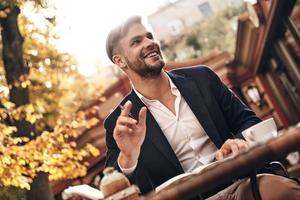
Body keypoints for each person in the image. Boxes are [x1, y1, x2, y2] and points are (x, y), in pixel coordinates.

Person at [104, 16, 300, 199]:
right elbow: (119, 189)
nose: (149, 43)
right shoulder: (118, 124)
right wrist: (129, 157)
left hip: (242, 183)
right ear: (120, 61)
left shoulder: (203, 78)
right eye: (136, 42)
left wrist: (238, 142)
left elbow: (247, 121)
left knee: (285, 191)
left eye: (149, 36)